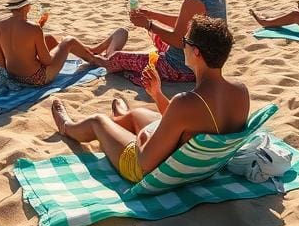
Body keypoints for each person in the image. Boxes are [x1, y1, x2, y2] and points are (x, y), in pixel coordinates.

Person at [50, 18, 248, 183]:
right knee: (138, 114)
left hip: (151, 172)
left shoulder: (185, 102)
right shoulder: (241, 91)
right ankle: (124, 119)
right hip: (200, 166)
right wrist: (157, 95)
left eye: (185, 41)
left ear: (196, 52)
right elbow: (190, 122)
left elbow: (145, 162)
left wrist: (143, 136)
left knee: (97, 121)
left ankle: (67, 127)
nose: (182, 45)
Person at [99, 0, 227, 85]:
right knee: (157, 34)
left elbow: (178, 41)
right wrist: (152, 15)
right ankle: (102, 50)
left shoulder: (195, 1)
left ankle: (106, 55)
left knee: (115, 59)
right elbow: (184, 22)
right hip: (204, 65)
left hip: (181, 68)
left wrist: (148, 25)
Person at [0, 0, 127, 86]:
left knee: (49, 38)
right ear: (27, 6)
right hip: (37, 79)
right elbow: (47, 61)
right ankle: (95, 60)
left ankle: (91, 50)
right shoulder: (33, 28)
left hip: (13, 76)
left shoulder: (0, 25)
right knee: (69, 41)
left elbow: (1, 61)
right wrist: (60, 50)